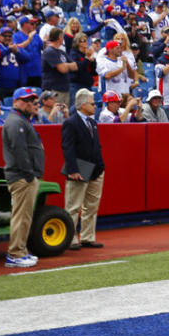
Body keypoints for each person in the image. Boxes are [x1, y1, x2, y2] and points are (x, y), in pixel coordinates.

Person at [1, 87, 44, 268]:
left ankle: (21, 251)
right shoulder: (15, 122)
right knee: (22, 217)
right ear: (16, 102)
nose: (30, 103)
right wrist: (29, 174)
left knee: (25, 216)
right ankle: (15, 254)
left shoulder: (21, 121)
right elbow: (20, 152)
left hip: (24, 176)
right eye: (26, 100)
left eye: (32, 100)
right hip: (22, 177)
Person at [62, 88, 106, 249]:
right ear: (83, 105)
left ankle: (88, 237)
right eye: (93, 104)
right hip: (80, 167)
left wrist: (101, 166)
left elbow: (96, 146)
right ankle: (70, 238)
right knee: (73, 206)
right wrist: (73, 169)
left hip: (95, 168)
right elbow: (68, 148)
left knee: (92, 206)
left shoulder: (92, 123)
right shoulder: (71, 122)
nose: (95, 106)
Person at [40, 26, 77, 106]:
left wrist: (65, 65)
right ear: (60, 37)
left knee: (64, 115)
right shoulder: (49, 51)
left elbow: (75, 66)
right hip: (54, 91)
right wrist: (66, 66)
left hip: (64, 89)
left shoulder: (61, 52)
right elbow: (62, 69)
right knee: (56, 115)